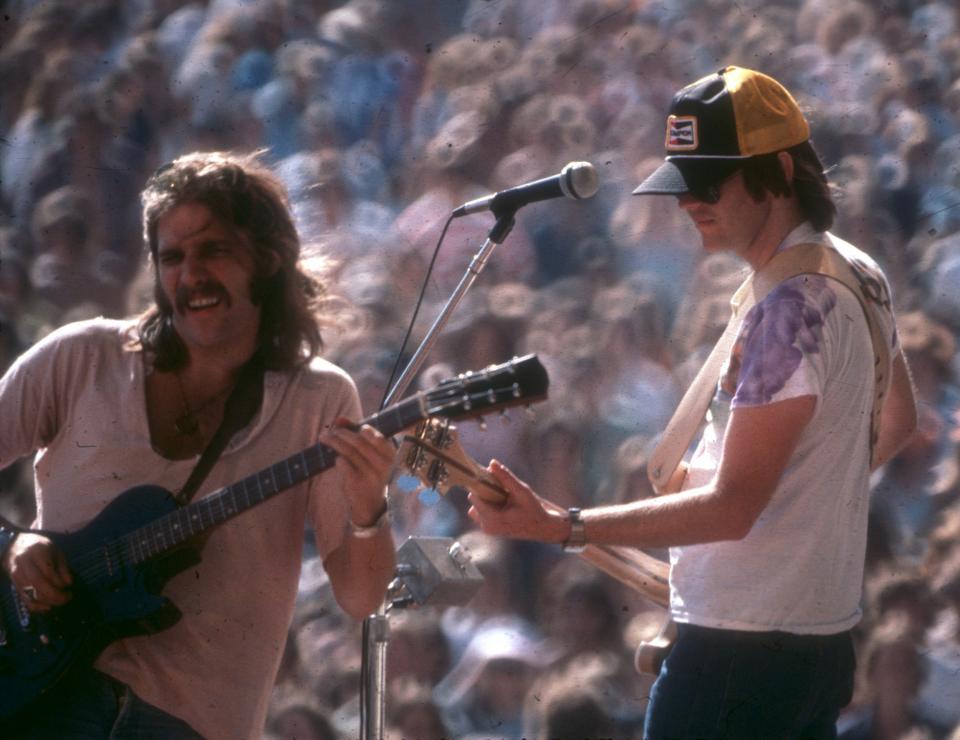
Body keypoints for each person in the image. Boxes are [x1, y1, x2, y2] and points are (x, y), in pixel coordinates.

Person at [469, 66, 919, 738]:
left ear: (782, 172)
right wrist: (806, 502)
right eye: (683, 182)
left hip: (737, 654)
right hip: (813, 643)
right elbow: (898, 420)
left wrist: (563, 524)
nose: (688, 202)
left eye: (710, 182)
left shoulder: (787, 311)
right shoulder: (855, 268)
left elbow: (734, 507)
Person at [0, 151, 397, 739]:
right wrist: (11, 546)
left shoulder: (320, 397)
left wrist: (369, 508)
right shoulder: (79, 358)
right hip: (43, 696)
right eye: (173, 258)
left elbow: (362, 598)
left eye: (214, 250)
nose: (191, 277)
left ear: (267, 259)